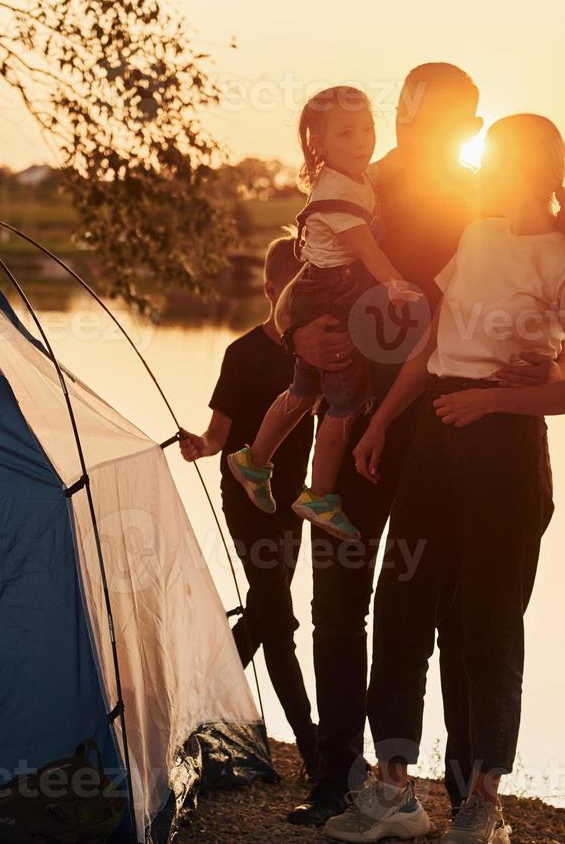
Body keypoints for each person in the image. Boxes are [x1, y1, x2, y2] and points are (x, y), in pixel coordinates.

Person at [281, 64, 561, 828]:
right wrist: (292, 328)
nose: (463, 133)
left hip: (443, 438)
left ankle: (468, 795)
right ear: (407, 113)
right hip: (356, 431)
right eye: (450, 117)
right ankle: (338, 779)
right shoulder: (353, 186)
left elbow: (535, 304)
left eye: (471, 121)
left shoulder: (485, 204)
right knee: (338, 601)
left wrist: (542, 358)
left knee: (450, 618)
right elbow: (299, 262)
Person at [320, 113, 565, 843]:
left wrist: (493, 399)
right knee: (401, 606)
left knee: (488, 621)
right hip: (435, 442)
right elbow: (432, 345)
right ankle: (395, 793)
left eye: (497, 162)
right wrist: (385, 421)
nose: (482, 172)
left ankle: (485, 802)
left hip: (505, 454)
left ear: (537, 171)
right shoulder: (476, 237)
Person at [225, 86, 420, 542]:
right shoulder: (335, 191)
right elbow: (365, 249)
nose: (362, 141)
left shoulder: (355, 176)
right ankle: (320, 494)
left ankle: (254, 459)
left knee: (305, 387)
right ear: (320, 143)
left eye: (368, 129)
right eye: (347, 133)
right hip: (331, 294)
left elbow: (385, 168)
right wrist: (396, 284)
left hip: (324, 288)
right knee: (344, 403)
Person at [178, 233, 321, 776]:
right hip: (244, 499)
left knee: (265, 614)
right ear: (269, 290)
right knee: (278, 617)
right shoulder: (243, 354)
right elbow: (219, 434)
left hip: (291, 504)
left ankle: (196, 705)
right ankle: (311, 748)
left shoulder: (317, 352)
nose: (300, 300)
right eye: (292, 289)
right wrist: (200, 445)